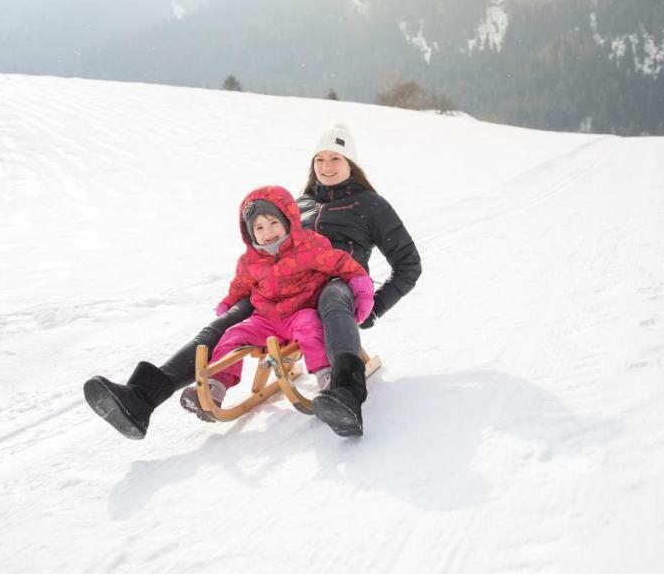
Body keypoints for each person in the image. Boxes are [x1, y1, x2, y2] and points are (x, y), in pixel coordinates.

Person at [84, 122, 421, 438]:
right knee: (228, 322)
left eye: (336, 158)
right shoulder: (299, 202)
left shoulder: (371, 205)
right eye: (319, 159)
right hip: (283, 289)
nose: (326, 166)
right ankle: (142, 396)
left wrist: (373, 308)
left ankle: (346, 392)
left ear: (352, 163)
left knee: (332, 297)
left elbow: (408, 264)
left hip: (338, 284)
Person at [178, 185, 374, 419]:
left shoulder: (309, 246)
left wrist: (360, 286)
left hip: (301, 312)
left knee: (312, 330)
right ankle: (213, 389)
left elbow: (341, 263)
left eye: (273, 223)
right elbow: (240, 286)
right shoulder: (249, 261)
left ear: (287, 220)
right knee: (232, 335)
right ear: (250, 233)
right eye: (259, 227)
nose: (267, 232)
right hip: (265, 319)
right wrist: (227, 303)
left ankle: (328, 379)